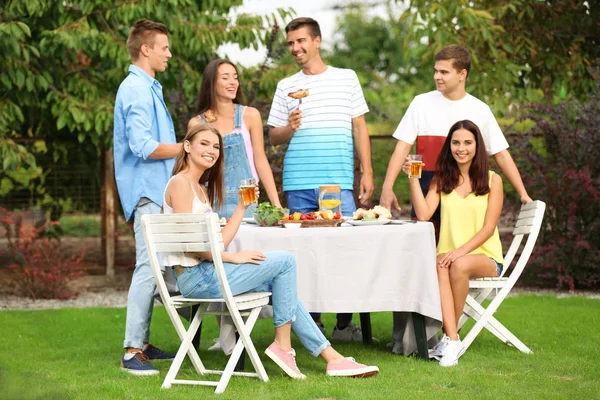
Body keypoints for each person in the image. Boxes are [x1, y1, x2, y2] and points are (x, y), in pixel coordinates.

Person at [163, 123, 379, 379]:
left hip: (207, 272)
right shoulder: (180, 183)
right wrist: (233, 257)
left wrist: (243, 208)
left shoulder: (199, 188)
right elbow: (192, 245)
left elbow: (216, 242)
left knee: (282, 288)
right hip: (196, 277)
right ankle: (283, 346)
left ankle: (332, 358)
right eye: (204, 144)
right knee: (285, 261)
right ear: (187, 146)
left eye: (216, 146)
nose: (212, 150)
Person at [267, 17, 374, 341]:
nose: (295, 48)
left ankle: (344, 323)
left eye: (301, 41)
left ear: (317, 41)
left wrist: (367, 171)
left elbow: (359, 127)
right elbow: (273, 137)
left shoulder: (346, 79)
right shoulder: (286, 86)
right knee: (302, 256)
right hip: (298, 180)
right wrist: (291, 126)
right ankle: (311, 324)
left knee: (344, 252)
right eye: (290, 43)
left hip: (337, 181)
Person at [380, 44, 532, 234]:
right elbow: (401, 148)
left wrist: (523, 194)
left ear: (462, 74)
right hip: (427, 192)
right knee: (424, 255)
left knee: (457, 252)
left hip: (465, 196)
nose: (437, 76)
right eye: (436, 71)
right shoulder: (421, 103)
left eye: (444, 72)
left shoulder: (480, 109)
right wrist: (388, 186)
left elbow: (501, 154)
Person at [113, 19, 182, 375]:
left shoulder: (147, 87)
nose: (169, 54)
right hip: (146, 193)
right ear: (146, 49)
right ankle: (131, 351)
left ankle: (143, 341)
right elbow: (142, 146)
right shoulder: (136, 90)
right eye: (164, 47)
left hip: (156, 192)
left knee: (157, 270)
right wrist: (185, 147)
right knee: (148, 268)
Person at [408, 120, 504, 367]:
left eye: (467, 143)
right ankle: (452, 339)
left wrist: (458, 252)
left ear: (477, 146)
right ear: (449, 146)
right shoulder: (442, 180)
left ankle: (449, 339)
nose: (461, 148)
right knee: (444, 264)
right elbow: (423, 215)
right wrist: (412, 178)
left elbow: (488, 229)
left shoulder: (493, 181)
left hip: (486, 257)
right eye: (456, 142)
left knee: (457, 264)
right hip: (448, 258)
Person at [188, 59, 282, 218]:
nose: (233, 82)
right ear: (211, 83)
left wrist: (276, 203)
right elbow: (194, 170)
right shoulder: (197, 123)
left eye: (235, 77)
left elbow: (260, 159)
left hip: (247, 199)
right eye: (225, 78)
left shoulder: (250, 115)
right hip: (210, 202)